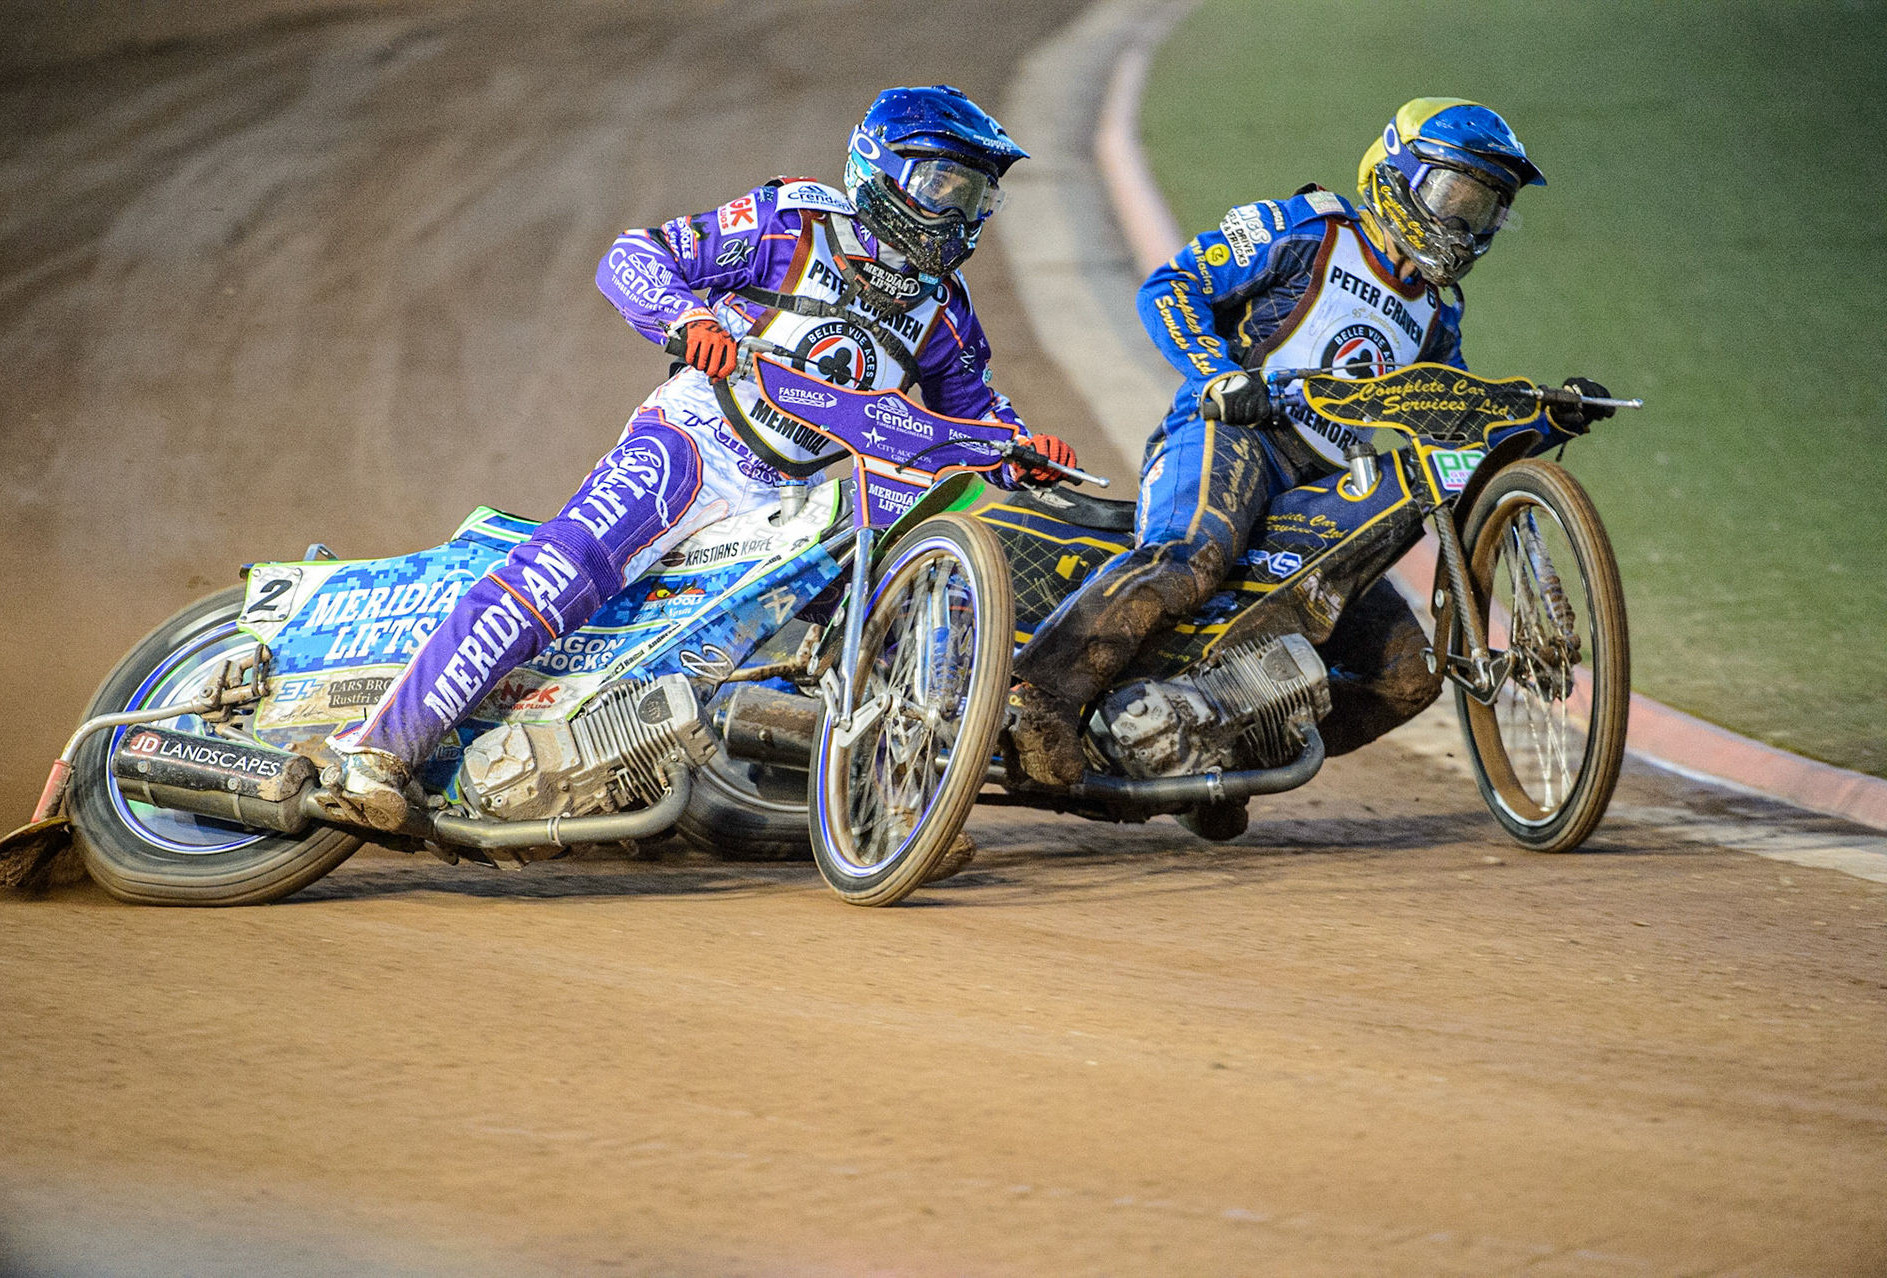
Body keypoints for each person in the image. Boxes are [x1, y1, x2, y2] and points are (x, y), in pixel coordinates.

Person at [326, 85, 1078, 829]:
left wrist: (1020, 452)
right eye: (944, 185)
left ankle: (898, 815)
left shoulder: (944, 308)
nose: (958, 213)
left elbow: (973, 411)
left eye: (977, 195)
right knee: (563, 569)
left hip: (799, 506)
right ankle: (378, 753)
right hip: (693, 444)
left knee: (899, 620)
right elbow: (637, 255)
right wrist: (686, 319)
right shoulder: (795, 221)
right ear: (883, 167)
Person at [1008, 97, 1613, 786]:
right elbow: (1171, 286)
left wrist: (1544, 417)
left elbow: (1457, 418)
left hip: (1322, 492)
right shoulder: (1308, 230)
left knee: (1410, 675)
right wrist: (1218, 376)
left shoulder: (1438, 316)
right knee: (1189, 555)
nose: (1462, 224)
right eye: (1454, 195)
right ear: (1397, 174)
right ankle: (1039, 699)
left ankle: (1212, 749)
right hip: (1230, 437)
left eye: (1483, 210)